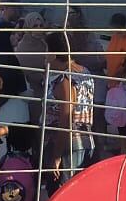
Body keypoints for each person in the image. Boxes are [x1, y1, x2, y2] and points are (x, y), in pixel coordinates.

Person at [42, 32, 99, 185]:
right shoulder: (84, 72)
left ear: (54, 54)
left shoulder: (64, 79)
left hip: (67, 146)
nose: (44, 54)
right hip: (85, 141)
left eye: (46, 49)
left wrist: (57, 156)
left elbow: (66, 118)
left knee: (61, 191)